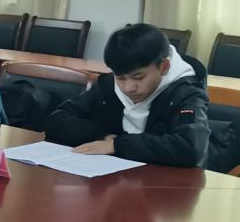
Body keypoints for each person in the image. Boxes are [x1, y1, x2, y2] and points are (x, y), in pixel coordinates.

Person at [44, 23, 210, 166]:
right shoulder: (108, 85)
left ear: (164, 67)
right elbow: (57, 119)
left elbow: (190, 148)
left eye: (138, 77)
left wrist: (117, 145)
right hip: (113, 176)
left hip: (166, 186)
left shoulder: (186, 93)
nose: (129, 88)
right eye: (121, 78)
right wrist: (103, 136)